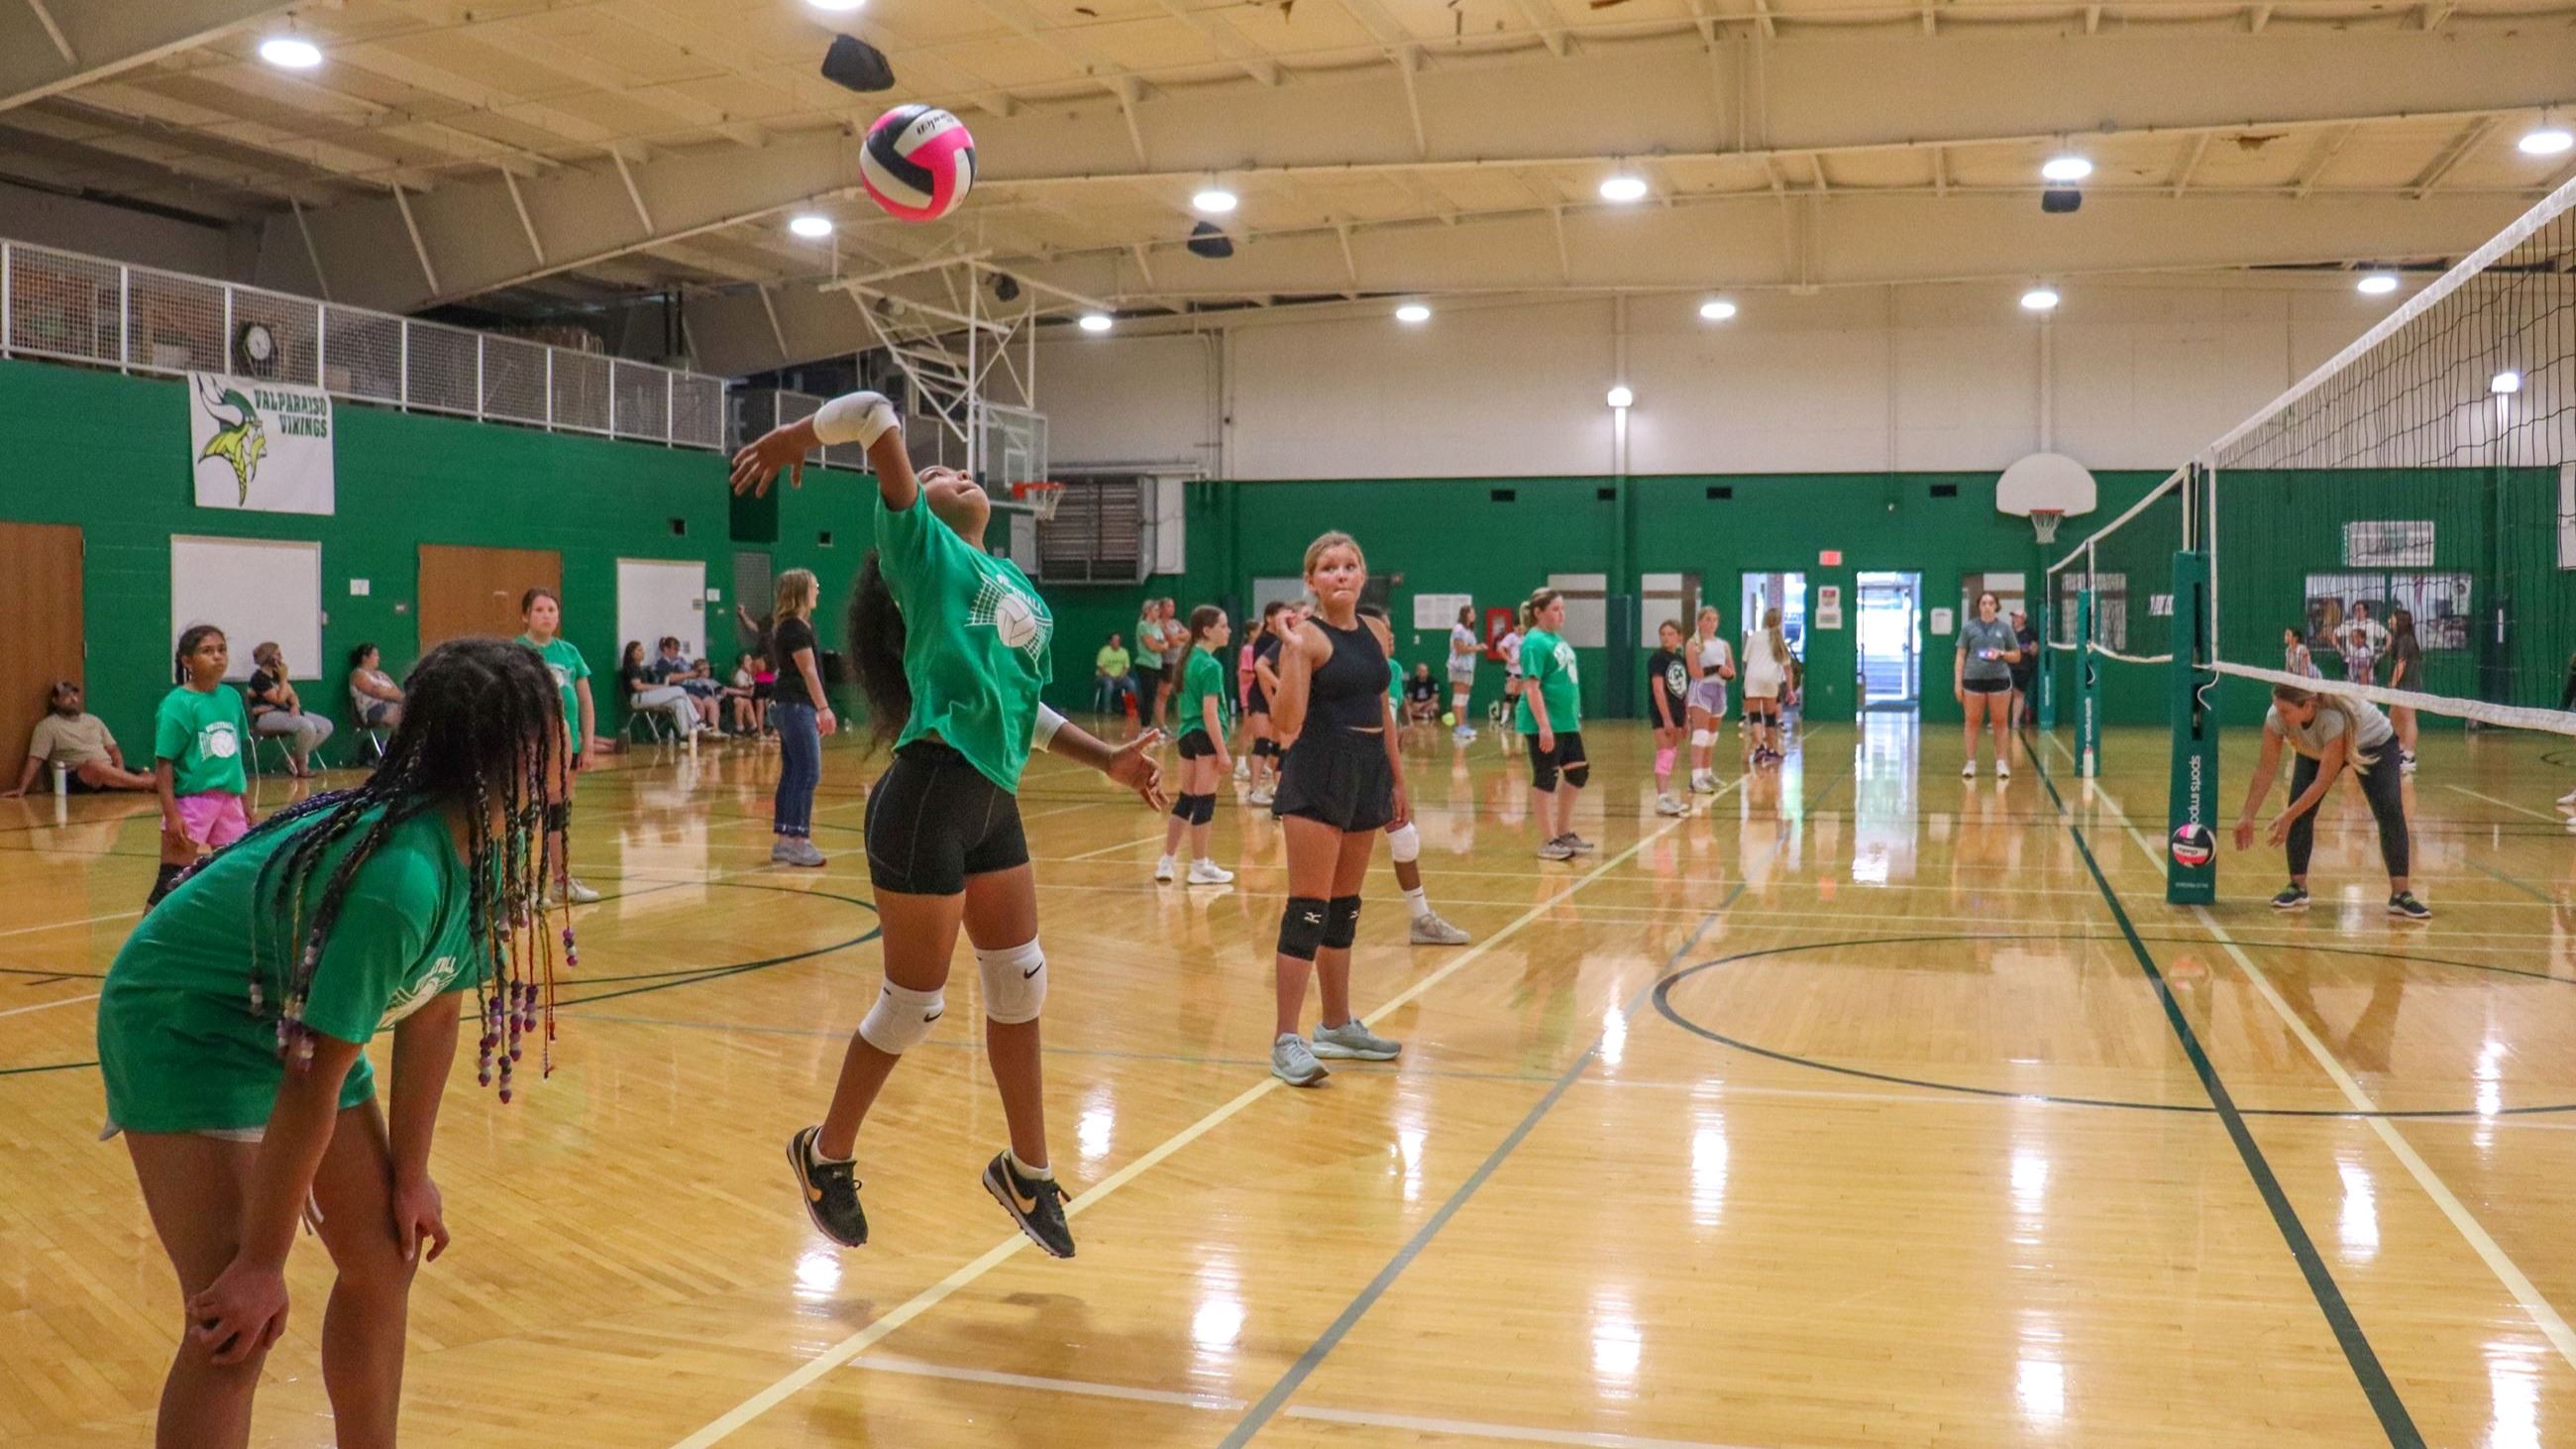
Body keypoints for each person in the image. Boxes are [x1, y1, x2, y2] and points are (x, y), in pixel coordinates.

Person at [98, 637, 569, 1448]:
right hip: (184, 1018)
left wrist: (411, 1176)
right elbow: (312, 1083)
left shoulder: (489, 848)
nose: (570, 743)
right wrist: (261, 1260)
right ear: (513, 751)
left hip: (291, 1009)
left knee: (384, 1258)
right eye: (552, 726)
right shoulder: (402, 880)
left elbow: (435, 1012)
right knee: (233, 1325)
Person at [732, 388, 1165, 1258]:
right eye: (933, 471)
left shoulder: (1009, 582)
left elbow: (1025, 708)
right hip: (929, 796)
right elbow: (873, 410)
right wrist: (788, 439)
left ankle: (1028, 1171)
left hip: (992, 799)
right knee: (914, 1006)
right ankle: (824, 1154)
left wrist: (1108, 760)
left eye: (956, 469)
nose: (952, 472)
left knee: (1022, 984)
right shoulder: (918, 550)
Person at [1263, 535, 1410, 1086]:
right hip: (1319, 772)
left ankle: (1336, 1023)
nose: (1341, 574)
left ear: (1363, 573)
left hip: (1367, 770)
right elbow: (1285, 721)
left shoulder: (1373, 632)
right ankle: (1286, 1038)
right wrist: (1294, 653)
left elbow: (1383, 708)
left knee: (1344, 907)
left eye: (1350, 565)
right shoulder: (1305, 638)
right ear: (1312, 581)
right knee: (1308, 908)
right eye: (1329, 568)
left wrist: (1397, 778)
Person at [2233, 683, 2429, 921]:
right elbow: (2265, 770)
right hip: (2315, 747)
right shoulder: (2276, 718)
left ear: (2308, 706)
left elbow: (2322, 782)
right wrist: (2247, 815)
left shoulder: (2333, 718)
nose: (2279, 715)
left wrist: (2288, 815)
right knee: (2299, 809)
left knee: (2389, 811)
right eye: (2276, 708)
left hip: (2373, 742)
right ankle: (2297, 888)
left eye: (2285, 711)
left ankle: (2401, 895)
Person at [150, 626, 253, 908]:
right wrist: (172, 815)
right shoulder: (177, 704)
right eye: (207, 651)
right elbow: (164, 764)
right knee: (171, 882)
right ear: (187, 661)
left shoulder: (231, 698)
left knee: (236, 876)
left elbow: (235, 757)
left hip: (229, 800)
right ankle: (147, 946)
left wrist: (246, 805)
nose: (218, 657)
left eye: (222, 649)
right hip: (192, 803)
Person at [516, 587, 604, 906]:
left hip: (569, 747)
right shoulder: (517, 652)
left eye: (551, 610)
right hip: (532, 747)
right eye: (539, 610)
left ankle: (561, 880)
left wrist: (588, 744)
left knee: (559, 814)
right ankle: (525, 885)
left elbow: (584, 700)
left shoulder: (569, 652)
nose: (546, 615)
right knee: (529, 815)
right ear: (525, 615)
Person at [1156, 606, 1236, 886]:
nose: (1228, 631)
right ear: (1207, 630)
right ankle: (1199, 866)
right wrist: (1223, 752)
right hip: (1204, 734)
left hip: (1187, 734)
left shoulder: (1188, 659)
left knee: (1187, 799)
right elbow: (1210, 712)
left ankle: (1166, 861)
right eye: (1224, 626)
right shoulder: (1211, 665)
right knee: (1204, 801)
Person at [1517, 588, 1590, 861]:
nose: (1562, 614)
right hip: (1545, 724)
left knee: (1578, 773)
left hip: (1566, 722)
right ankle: (1548, 840)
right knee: (1546, 777)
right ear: (1538, 613)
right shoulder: (1534, 642)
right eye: (1556, 609)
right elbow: (1532, 687)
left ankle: (1564, 832)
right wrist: (1544, 726)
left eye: (1563, 609)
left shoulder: (1555, 639)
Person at [768, 569, 832, 868]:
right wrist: (823, 708)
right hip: (796, 706)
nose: (817, 590)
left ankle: (784, 840)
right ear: (799, 592)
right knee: (808, 772)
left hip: (785, 704)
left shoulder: (790, 626)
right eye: (813, 586)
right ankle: (799, 842)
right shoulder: (795, 628)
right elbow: (808, 671)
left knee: (792, 772)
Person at [6, 681, 155, 796]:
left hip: (109, 770)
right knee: (94, 765)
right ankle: (144, 785)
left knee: (149, 775)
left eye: (74, 694)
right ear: (55, 700)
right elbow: (35, 759)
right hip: (76, 776)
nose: (72, 699)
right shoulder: (47, 726)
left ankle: (143, 784)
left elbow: (114, 750)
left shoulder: (93, 720)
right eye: (66, 696)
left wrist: (120, 773)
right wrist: (22, 788)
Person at [1955, 592, 2022, 779]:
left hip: (1999, 680)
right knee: (1972, 722)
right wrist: (1957, 683)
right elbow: (1960, 656)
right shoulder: (1969, 628)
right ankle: (1970, 763)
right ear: (1979, 606)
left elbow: (2017, 655)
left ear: (1996, 606)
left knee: (2000, 722)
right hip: (1973, 680)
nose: (1987, 606)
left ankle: (2001, 763)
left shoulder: (2005, 629)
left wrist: (2001, 654)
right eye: (1983, 602)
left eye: (1990, 603)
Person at [245, 642, 336, 779]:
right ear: (268, 657)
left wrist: (294, 705)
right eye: (277, 654)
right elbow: (279, 699)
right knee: (307, 726)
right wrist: (283, 679)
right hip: (266, 717)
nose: (281, 657)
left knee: (326, 726)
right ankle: (302, 765)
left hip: (287, 712)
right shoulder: (259, 678)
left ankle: (293, 757)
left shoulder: (277, 674)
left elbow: (292, 695)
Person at [1684, 605, 1735, 794]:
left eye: (1715, 619)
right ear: (1699, 621)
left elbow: (1732, 672)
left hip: (1719, 690)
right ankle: (1696, 777)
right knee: (1701, 734)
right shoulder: (1694, 643)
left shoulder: (1724, 645)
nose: (1711, 623)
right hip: (1701, 690)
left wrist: (1727, 673)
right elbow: (1695, 672)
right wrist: (1716, 669)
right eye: (1707, 619)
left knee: (1712, 736)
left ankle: (1706, 773)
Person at [1245, 602, 1289, 807]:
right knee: (1262, 742)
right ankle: (1253, 790)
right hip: (1263, 696)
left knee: (1278, 745)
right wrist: (1272, 702)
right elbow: (1261, 676)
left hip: (1277, 695)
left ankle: (1277, 787)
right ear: (1270, 618)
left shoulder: (1282, 639)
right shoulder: (1264, 641)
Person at [1647, 619, 1690, 817]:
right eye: (1663, 634)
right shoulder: (1658, 659)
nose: (1666, 637)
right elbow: (1658, 689)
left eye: (1671, 634)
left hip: (1678, 712)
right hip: (1663, 713)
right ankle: (1662, 798)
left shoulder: (1680, 660)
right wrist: (1666, 718)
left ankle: (1666, 797)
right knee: (1664, 754)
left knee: (1671, 754)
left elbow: (1683, 690)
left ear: (1679, 637)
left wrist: (1685, 718)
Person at [618, 641, 699, 741]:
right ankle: (696, 722)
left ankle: (685, 734)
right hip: (638, 698)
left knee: (679, 702)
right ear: (632, 653)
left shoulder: (640, 668)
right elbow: (638, 686)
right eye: (639, 650)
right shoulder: (632, 667)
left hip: (646, 696)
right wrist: (660, 687)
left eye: (642, 649)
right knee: (680, 690)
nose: (643, 652)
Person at [1742, 607, 1791, 766]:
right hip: (1770, 679)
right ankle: (1771, 750)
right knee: (1770, 717)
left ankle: (1759, 747)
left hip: (1752, 677)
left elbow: (1745, 660)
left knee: (1755, 715)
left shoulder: (1754, 637)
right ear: (1780, 622)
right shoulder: (1779, 639)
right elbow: (1787, 668)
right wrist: (1790, 690)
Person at [649, 636, 720, 733]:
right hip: (677, 690)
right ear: (666, 649)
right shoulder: (661, 663)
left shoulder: (681, 660)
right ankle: (698, 733)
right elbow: (671, 678)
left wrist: (700, 670)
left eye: (678, 649)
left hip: (692, 687)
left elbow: (693, 672)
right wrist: (689, 674)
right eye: (674, 649)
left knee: (713, 704)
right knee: (699, 704)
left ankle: (715, 731)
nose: (677, 652)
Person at [2386, 608, 2421, 774]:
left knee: (2408, 718)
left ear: (2398, 620)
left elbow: (2401, 663)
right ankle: (2399, 749)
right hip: (2402, 686)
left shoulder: (2406, 639)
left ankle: (2409, 756)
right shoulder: (2399, 638)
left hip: (2406, 686)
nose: (2389, 620)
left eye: (2391, 618)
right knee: (2394, 716)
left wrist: (2393, 684)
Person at [346, 644, 404, 732]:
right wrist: (388, 692)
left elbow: (396, 691)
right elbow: (377, 692)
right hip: (372, 710)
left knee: (413, 709)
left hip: (390, 704)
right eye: (375, 655)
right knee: (406, 716)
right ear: (364, 657)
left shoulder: (381, 675)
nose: (378, 658)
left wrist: (398, 696)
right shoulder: (358, 674)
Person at [1446, 605, 1481, 744]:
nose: (1474, 616)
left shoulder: (1470, 631)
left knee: (1465, 698)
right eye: (1472, 613)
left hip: (1468, 668)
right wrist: (1477, 648)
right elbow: (1460, 649)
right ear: (1465, 614)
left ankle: (1463, 725)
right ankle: (1459, 727)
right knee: (1459, 697)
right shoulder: (1459, 629)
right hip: (1458, 667)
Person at [1133, 601, 1167, 727]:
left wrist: (1161, 645)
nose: (1158, 613)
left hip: (1156, 665)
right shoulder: (1143, 626)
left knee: (1152, 697)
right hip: (1145, 664)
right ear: (1147, 611)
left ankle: (1148, 725)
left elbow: (1165, 644)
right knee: (1148, 696)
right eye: (1156, 610)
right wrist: (1160, 645)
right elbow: (1152, 645)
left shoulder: (1157, 626)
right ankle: (1144, 727)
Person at [2339, 601, 2386, 685]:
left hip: (2364, 664)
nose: (2357, 612)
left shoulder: (2372, 624)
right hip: (2351, 662)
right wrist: (2341, 651)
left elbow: (2388, 637)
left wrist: (2381, 653)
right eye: (2355, 610)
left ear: (2365, 611)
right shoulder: (2348, 623)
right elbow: (2334, 635)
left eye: (2359, 609)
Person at [2008, 609, 2040, 730]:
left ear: (2023, 619)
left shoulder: (2030, 633)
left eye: (2017, 617)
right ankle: (1998, 721)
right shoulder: (2008, 632)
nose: (2014, 619)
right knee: (2003, 694)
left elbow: (2034, 650)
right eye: (2013, 617)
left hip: (2023, 668)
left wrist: (2027, 649)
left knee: (2018, 694)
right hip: (2008, 667)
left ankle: (2015, 721)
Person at [1095, 631, 1135, 718]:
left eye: (1118, 640)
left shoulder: (1124, 652)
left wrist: (1122, 675)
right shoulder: (1104, 651)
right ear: (1110, 642)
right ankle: (1107, 710)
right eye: (1115, 640)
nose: (1117, 642)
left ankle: (1130, 709)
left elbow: (1126, 667)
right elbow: (1100, 667)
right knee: (1109, 684)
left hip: (1120, 677)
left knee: (1131, 684)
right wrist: (1110, 675)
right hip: (1104, 677)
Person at [724, 652, 763, 735]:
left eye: (751, 659)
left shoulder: (754, 672)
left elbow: (766, 680)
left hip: (748, 697)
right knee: (742, 701)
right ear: (742, 665)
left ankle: (754, 726)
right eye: (748, 660)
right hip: (736, 697)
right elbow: (745, 688)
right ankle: (739, 728)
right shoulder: (740, 674)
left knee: (750, 702)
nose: (751, 662)